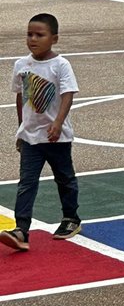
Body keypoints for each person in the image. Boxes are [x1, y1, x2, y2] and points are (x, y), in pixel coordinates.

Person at [0, 13, 81, 252]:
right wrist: (20, 127)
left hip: (57, 137)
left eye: (39, 35)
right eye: (29, 34)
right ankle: (21, 230)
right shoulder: (21, 65)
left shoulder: (60, 65)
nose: (33, 39)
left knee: (65, 178)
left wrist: (58, 122)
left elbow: (68, 94)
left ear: (54, 38)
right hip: (31, 138)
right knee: (27, 182)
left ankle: (71, 218)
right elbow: (20, 96)